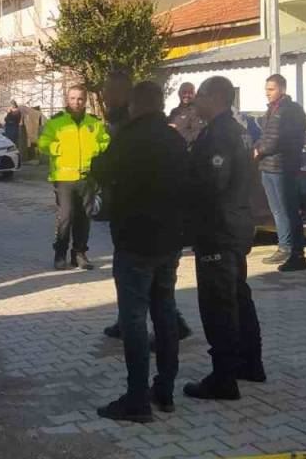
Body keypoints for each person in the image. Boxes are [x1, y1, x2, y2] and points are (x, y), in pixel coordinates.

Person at [94, 82, 187, 422]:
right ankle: (165, 389)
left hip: (136, 242)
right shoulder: (174, 139)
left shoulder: (130, 140)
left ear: (136, 106)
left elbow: (101, 170)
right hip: (170, 242)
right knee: (165, 313)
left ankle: (137, 399)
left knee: (134, 319)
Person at [185, 76, 264, 401]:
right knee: (238, 296)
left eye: (199, 96)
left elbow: (212, 185)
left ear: (214, 97)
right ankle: (249, 363)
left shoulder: (219, 134)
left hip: (218, 229)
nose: (194, 103)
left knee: (219, 303)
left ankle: (223, 377)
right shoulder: (239, 131)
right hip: (237, 224)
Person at [38, 85, 109, 270]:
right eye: (72, 98)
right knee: (66, 216)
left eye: (80, 99)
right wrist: (60, 149)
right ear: (67, 99)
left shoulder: (94, 122)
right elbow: (43, 143)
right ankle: (60, 253)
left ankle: (79, 254)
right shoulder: (56, 122)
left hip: (87, 177)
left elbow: (105, 141)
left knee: (84, 217)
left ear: (85, 100)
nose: (76, 102)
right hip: (64, 177)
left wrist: (96, 148)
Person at [255, 74, 306, 272]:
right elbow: (265, 135)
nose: (267, 93)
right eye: (266, 89)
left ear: (282, 89)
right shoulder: (272, 109)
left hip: (283, 167)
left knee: (289, 210)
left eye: (271, 89)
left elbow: (277, 138)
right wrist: (257, 146)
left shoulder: (290, 110)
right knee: (278, 210)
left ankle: (297, 253)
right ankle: (285, 247)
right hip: (268, 166)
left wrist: (258, 150)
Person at [168, 82, 204, 146]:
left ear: (195, 94)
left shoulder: (199, 112)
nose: (187, 95)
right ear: (179, 93)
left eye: (190, 93)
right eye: (184, 92)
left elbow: (197, 135)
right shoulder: (174, 112)